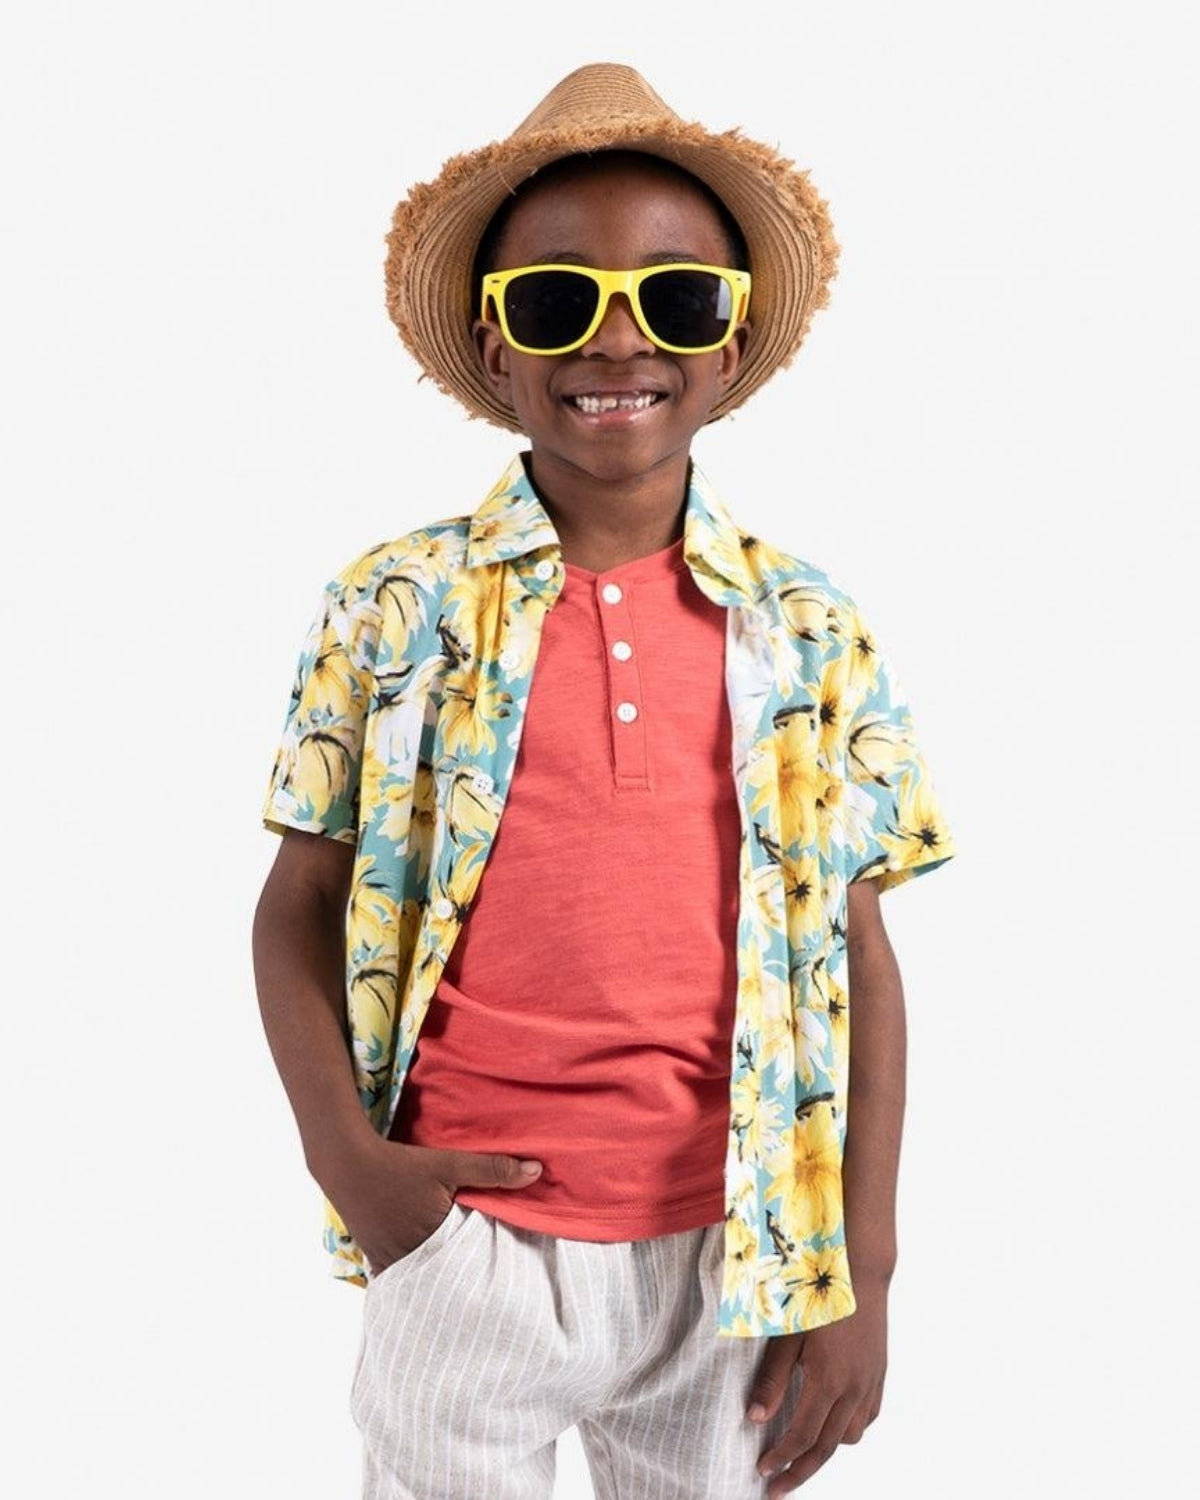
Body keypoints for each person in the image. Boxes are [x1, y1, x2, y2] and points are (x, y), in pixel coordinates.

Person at [252, 62, 958, 1500]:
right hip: (468, 1239)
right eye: (558, 301)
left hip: (736, 1252)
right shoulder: (395, 605)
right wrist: (357, 1170)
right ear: (497, 349)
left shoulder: (809, 626)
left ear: (734, 337)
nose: (618, 340)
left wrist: (860, 1265)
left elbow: (862, 964)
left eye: (677, 299)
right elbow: (296, 907)